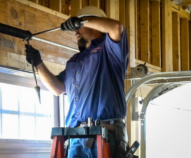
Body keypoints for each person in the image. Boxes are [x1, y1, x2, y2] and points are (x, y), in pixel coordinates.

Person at [25, 6, 129, 158]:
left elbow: (116, 27)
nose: (75, 31)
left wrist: (82, 21)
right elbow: (57, 89)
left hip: (105, 135)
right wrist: (38, 63)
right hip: (76, 138)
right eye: (76, 26)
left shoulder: (109, 50)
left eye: (79, 26)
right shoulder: (75, 61)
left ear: (93, 24)